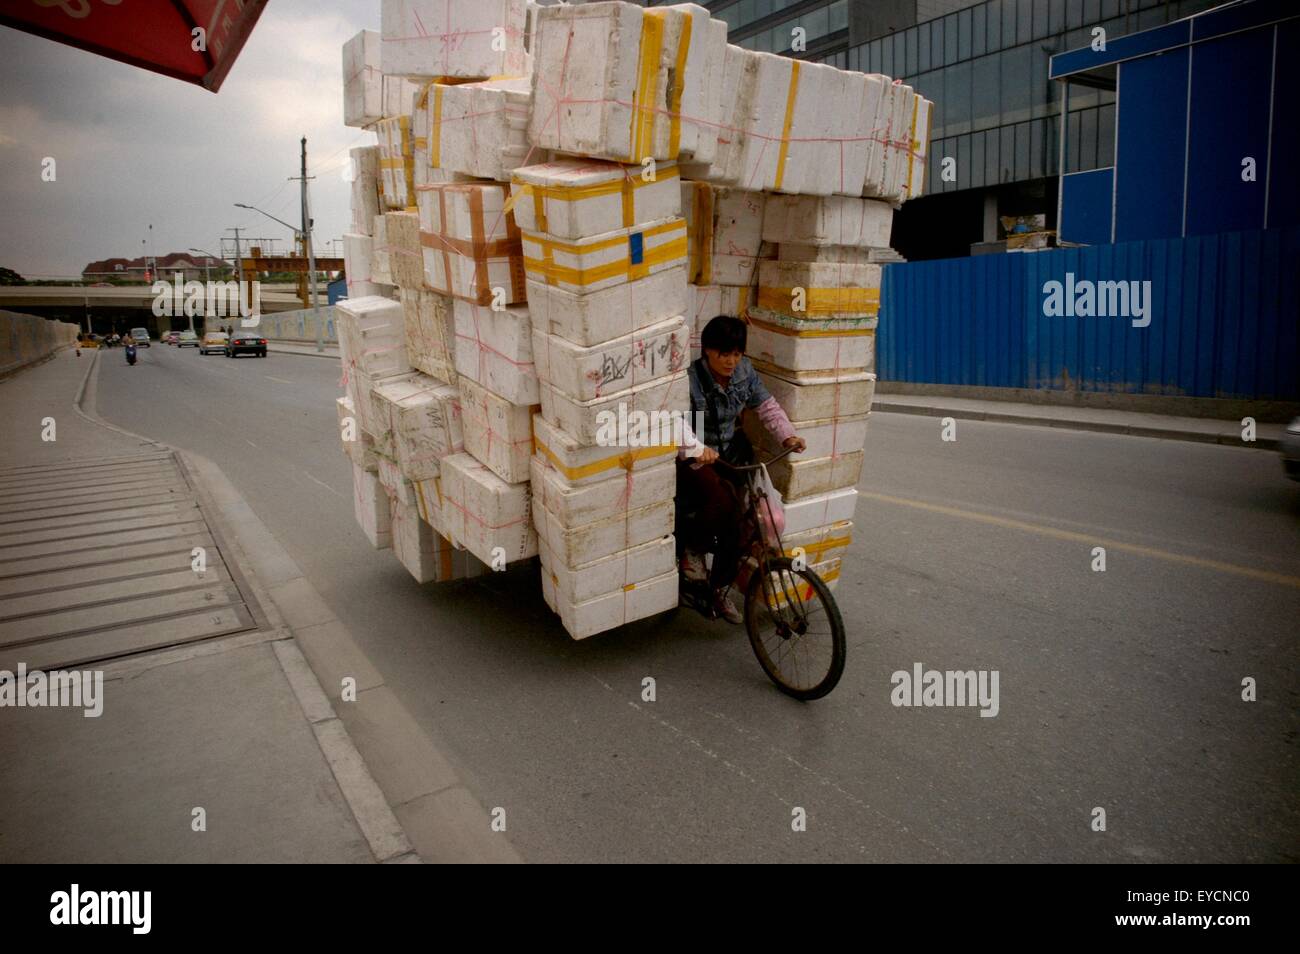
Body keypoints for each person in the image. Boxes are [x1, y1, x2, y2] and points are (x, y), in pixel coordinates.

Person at [677, 315, 806, 624]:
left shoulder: (745, 373)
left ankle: (720, 590)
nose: (731, 361)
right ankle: (693, 551)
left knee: (743, 521)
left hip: (733, 452)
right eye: (724, 353)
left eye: (736, 354)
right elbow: (678, 423)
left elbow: (766, 406)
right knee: (723, 502)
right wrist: (696, 447)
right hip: (698, 456)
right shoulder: (691, 379)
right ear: (707, 350)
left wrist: (787, 434)